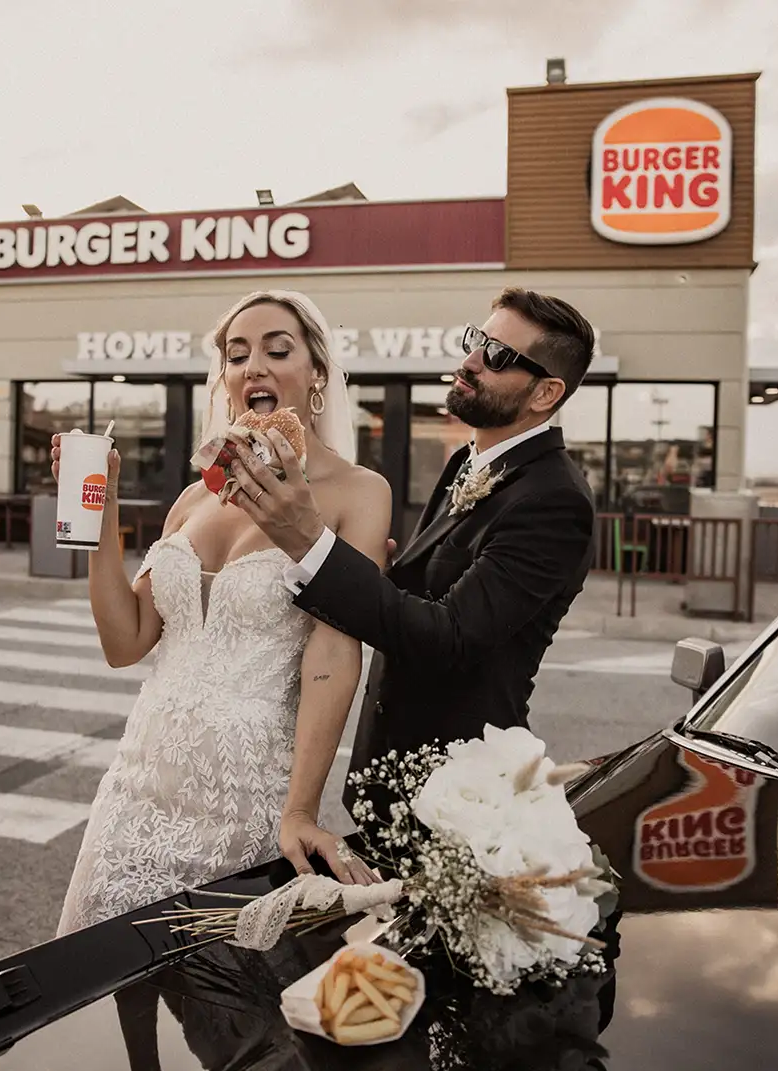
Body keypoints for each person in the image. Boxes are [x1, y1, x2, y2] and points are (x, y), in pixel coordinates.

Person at [55, 290, 389, 935]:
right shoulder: (192, 497)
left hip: (246, 793)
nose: (253, 366)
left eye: (276, 349)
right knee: (96, 989)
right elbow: (126, 641)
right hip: (137, 784)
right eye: (237, 355)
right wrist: (105, 507)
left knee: (226, 1011)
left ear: (318, 373)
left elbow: (334, 653)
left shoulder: (358, 493)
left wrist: (301, 808)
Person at [230, 287, 597, 822]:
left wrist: (312, 543)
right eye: (477, 340)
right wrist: (376, 569)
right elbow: (415, 593)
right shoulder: (464, 464)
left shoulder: (554, 499)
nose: (470, 361)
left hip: (462, 796)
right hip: (392, 787)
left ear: (546, 394)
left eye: (497, 356)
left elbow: (448, 638)